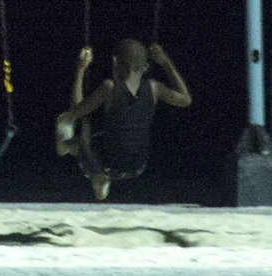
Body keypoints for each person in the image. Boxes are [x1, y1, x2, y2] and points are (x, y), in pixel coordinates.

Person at [54, 38, 191, 200]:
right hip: (137, 166)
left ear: (115, 62)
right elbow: (186, 99)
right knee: (104, 137)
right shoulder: (154, 87)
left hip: (106, 164)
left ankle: (73, 152)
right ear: (145, 66)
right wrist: (166, 62)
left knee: (73, 123)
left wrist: (81, 68)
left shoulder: (109, 88)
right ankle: (100, 177)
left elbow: (76, 113)